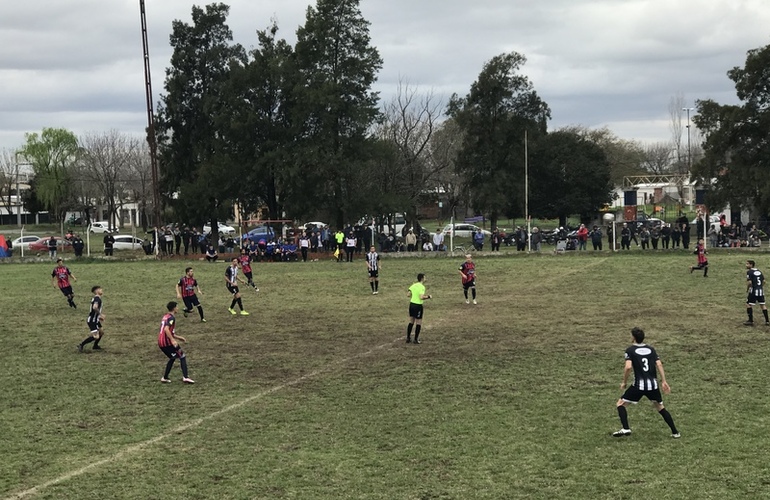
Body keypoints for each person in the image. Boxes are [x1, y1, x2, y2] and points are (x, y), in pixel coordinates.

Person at [613, 327, 680, 439]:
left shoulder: (630, 350)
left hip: (639, 386)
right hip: (653, 386)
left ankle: (626, 428)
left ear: (633, 338)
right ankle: (675, 432)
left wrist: (624, 382)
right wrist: (664, 381)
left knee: (620, 404)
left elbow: (628, 367)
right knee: (660, 407)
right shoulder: (651, 349)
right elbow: (659, 364)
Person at [157, 301, 195, 384]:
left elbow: (168, 331)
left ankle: (165, 377)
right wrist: (172, 340)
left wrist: (178, 337)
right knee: (182, 356)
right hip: (167, 342)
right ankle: (186, 377)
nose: (178, 308)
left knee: (172, 357)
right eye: (177, 307)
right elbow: (166, 329)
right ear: (174, 308)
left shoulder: (165, 316)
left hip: (160, 342)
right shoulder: (171, 318)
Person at [77, 286, 106, 351]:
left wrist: (99, 317)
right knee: (96, 336)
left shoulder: (96, 298)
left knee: (101, 332)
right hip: (92, 320)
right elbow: (95, 307)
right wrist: (100, 315)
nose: (102, 291)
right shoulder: (97, 299)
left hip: (96, 319)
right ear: (96, 291)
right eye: (100, 290)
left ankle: (95, 346)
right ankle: (81, 344)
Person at [406, 273, 431, 344]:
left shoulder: (413, 285)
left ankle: (408, 338)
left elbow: (408, 295)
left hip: (411, 305)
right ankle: (416, 339)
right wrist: (428, 296)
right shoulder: (422, 287)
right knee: (418, 322)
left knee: (411, 321)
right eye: (425, 277)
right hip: (418, 306)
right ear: (422, 278)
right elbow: (421, 297)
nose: (425, 279)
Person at [744, 260, 769, 326]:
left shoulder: (749, 272)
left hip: (753, 291)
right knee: (762, 305)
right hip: (760, 291)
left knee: (748, 304)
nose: (746, 265)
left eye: (747, 264)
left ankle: (750, 320)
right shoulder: (759, 271)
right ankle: (767, 321)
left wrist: (747, 289)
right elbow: (764, 281)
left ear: (751, 265)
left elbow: (750, 282)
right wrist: (760, 287)